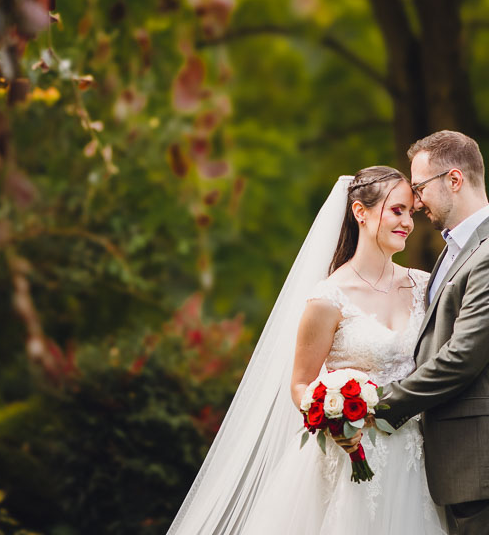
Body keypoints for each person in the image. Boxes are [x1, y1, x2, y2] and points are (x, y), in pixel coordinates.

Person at [166, 166, 449, 534]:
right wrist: (332, 417)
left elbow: (452, 354)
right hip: (351, 457)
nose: (408, 222)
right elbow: (301, 384)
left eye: (410, 212)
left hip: (416, 457)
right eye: (397, 210)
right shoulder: (328, 298)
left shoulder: (424, 286)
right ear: (360, 212)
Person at [374, 130, 489, 535]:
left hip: (486, 468)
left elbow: (460, 359)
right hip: (458, 463)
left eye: (419, 188)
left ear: (454, 180)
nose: (415, 203)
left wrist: (377, 406)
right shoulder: (457, 247)